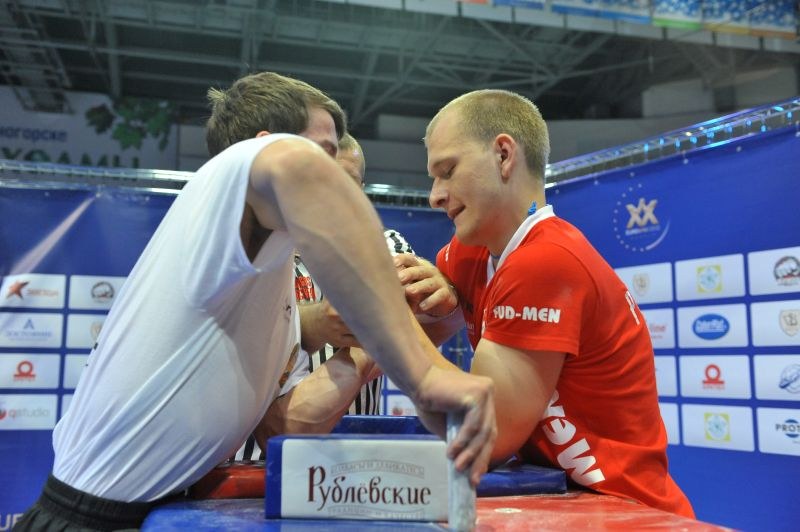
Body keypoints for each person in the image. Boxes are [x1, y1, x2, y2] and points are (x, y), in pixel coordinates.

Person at [14, 72, 496, 531]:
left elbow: (306, 332)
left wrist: (434, 313)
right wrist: (426, 376)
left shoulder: (262, 267)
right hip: (95, 515)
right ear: (264, 143)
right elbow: (294, 166)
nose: (337, 179)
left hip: (156, 507)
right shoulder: (222, 186)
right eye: (326, 155)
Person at [395, 89, 694, 518]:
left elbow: (483, 440)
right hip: (568, 504)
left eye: (447, 171)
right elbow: (427, 331)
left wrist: (387, 320)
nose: (435, 195)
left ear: (503, 155)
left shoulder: (546, 260)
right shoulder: (471, 253)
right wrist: (438, 299)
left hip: (628, 514)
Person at [231, 133, 415, 461]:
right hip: (249, 464)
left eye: (347, 181)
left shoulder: (385, 246)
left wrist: (297, 413)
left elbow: (393, 312)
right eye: (321, 177)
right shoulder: (251, 253)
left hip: (349, 467)